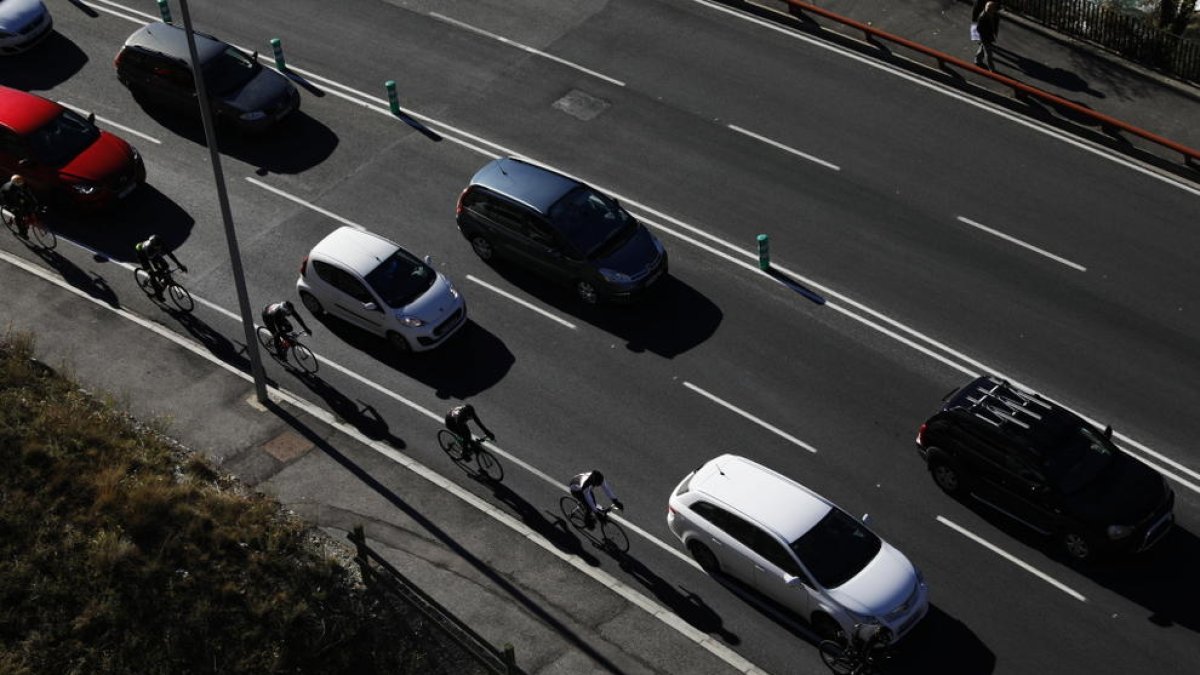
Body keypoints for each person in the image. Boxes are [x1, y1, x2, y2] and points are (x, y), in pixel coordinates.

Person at [134, 235, 187, 301]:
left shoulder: (161, 244)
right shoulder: (149, 249)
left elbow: (170, 254)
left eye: (159, 246)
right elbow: (153, 262)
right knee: (152, 275)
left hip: (153, 254)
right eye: (157, 247)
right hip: (143, 256)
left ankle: (161, 280)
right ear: (153, 245)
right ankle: (158, 296)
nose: (159, 248)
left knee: (166, 266)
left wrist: (179, 264)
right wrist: (157, 272)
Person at [1, 174, 38, 239]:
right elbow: (13, 201)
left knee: (27, 204)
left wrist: (35, 202)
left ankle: (26, 218)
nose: (21, 184)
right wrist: (17, 207)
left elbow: (28, 193)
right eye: (19, 183)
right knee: (19, 215)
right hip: (7, 200)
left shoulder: (21, 183)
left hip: (16, 196)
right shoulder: (9, 189)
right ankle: (22, 232)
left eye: (21, 182)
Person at [974, 1, 1001, 71]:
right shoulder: (982, 17)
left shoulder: (994, 15)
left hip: (989, 36)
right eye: (988, 8)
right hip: (985, 37)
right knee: (989, 54)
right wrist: (984, 37)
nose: (989, 10)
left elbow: (995, 25)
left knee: (982, 48)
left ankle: (977, 60)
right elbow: (978, 28)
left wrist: (994, 34)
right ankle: (991, 68)